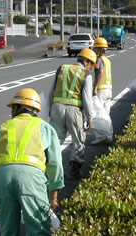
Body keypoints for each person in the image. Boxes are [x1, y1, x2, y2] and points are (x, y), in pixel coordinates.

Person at [0, 88, 64, 235]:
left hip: (2, 177)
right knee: (38, 228)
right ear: (35, 110)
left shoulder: (0, 128)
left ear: (16, 108)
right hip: (31, 178)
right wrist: (54, 194)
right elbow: (55, 165)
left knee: (8, 230)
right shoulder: (45, 128)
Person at [49, 48, 96, 179]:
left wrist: (50, 109)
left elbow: (51, 91)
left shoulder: (62, 68)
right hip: (74, 110)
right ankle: (74, 171)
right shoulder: (86, 75)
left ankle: (51, 170)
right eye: (91, 64)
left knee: (55, 140)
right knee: (78, 140)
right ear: (85, 60)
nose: (91, 67)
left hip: (57, 107)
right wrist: (90, 117)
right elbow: (87, 98)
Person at [92, 37, 112, 114]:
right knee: (106, 114)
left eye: (95, 48)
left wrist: (95, 88)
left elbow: (100, 73)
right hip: (109, 89)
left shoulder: (99, 60)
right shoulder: (107, 60)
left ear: (99, 49)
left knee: (98, 112)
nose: (94, 50)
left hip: (101, 90)